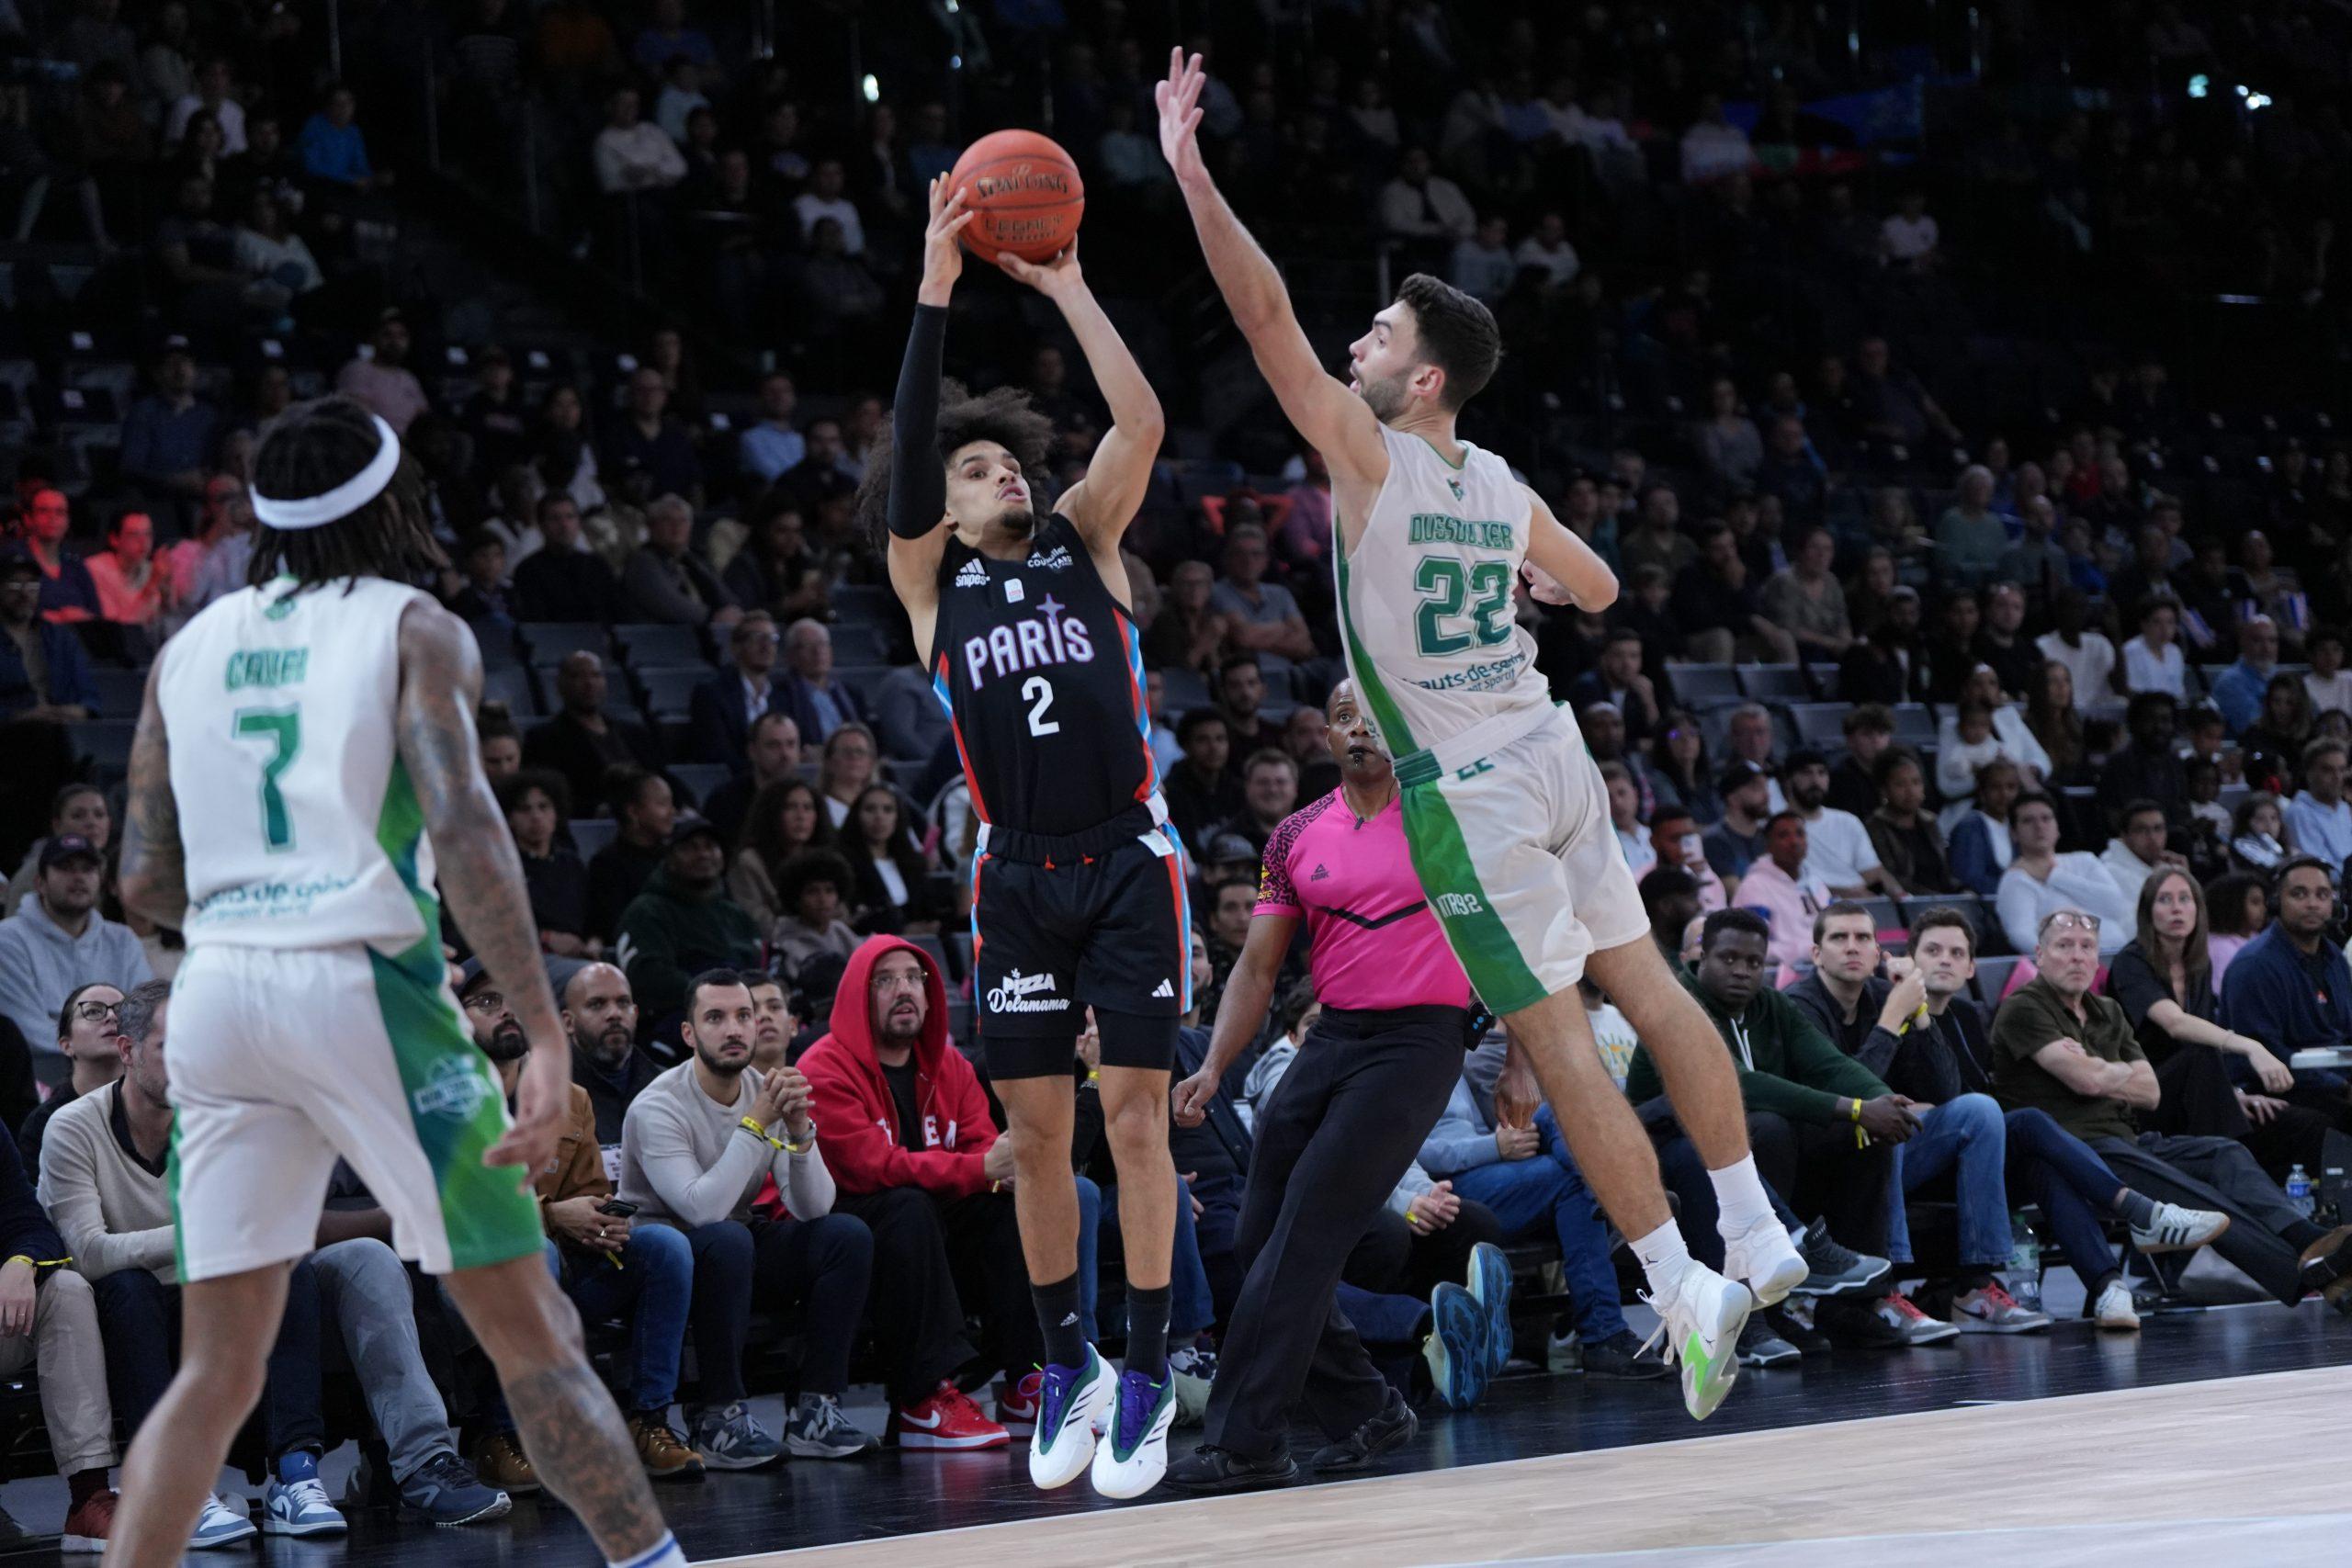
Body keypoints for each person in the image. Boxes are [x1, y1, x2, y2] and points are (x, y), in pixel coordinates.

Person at [1161, 51, 1785, 1440]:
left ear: (1424, 374)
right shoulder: (1498, 483)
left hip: (1476, 782)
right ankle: (1751, 1223)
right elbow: (1607, 590)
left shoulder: (1374, 458)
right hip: (1559, 744)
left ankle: (1683, 1282)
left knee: (1559, 1039)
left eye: (1375, 337)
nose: (1351, 348)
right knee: (1653, 986)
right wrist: (1538, 583)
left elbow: (1257, 313)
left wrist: (1193, 173)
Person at [110, 395, 684, 1568]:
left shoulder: (187, 647)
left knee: (217, 1371)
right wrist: (543, 1028)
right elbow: (472, 838)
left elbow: (140, 877)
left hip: (214, 998)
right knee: (537, 1336)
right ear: (393, 505)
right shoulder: (415, 626)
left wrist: (214, 964)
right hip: (364, 983)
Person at [860, 175, 1186, 1495]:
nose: (1008, 473)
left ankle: (1150, 1367)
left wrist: (1063, 285)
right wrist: (937, 281)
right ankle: (1069, 1362)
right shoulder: (929, 585)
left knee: (1139, 1121)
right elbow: (905, 438)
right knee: (1037, 1138)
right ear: (940, 501)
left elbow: (1143, 417)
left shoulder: (1085, 543)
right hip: (1016, 880)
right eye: (977, 466)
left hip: (1125, 860)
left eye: (1011, 461)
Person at [1167, 683, 1516, 1491]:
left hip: (1419, 1042)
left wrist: (1524, 1056)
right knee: (1260, 1238)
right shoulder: (1295, 833)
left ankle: (1246, 1440)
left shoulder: (1446, 818)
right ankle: (1366, 1408)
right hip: (1333, 1036)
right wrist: (1215, 1064)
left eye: (1375, 715)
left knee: (1304, 1235)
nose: (1361, 728)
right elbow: (1257, 964)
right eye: (1347, 717)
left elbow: (1504, 936)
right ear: (1326, 734)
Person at [44, 979, 510, 1541]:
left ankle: (328, 1474)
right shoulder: (71, 1127)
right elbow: (89, 1254)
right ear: (127, 1050)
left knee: (350, 1260)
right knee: (129, 1285)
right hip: (139, 1306)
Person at [1989, 908, 2352, 1313]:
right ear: (2040, 954)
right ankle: (2307, 1274)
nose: (2076, 956)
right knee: (2196, 1194)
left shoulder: (2107, 1011)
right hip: (2075, 1151)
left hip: (2129, 1140)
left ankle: (2306, 1236)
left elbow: (2150, 1093)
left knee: (2223, 1153)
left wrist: (2100, 1068)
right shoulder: (2024, 1007)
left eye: (2086, 947)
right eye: (2063, 946)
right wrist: (2114, 1072)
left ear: (2096, 960)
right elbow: (2086, 1082)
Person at [1902, 909, 2229, 1330]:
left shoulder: (1966, 1017)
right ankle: (2143, 1214)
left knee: (2044, 1164)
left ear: (1970, 967)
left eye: (1956, 952)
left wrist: (2100, 1071)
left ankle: (2110, 1287)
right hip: (1920, 1159)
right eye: (1933, 950)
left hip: (1975, 1156)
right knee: (2028, 1121)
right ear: (1911, 958)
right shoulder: (1897, 1014)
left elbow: (2147, 1094)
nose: (1944, 960)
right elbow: (1944, 1099)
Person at [619, 969, 883, 1465]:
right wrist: (758, 1122)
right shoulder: (657, 1106)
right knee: (726, 1239)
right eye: (715, 1018)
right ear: (689, 1034)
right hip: (662, 1257)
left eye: (744, 1015)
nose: (734, 1029)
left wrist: (801, 1130)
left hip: (731, 1244)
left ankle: (815, 1412)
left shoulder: (764, 1089)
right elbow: (700, 1209)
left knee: (845, 1235)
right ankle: (717, 1415)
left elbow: (813, 1207)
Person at [458, 966, 704, 1479]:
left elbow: (589, 1194)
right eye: (486, 1002)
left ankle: (648, 1420)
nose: (506, 1010)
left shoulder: (571, 1099)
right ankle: (499, 1434)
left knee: (664, 1246)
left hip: (564, 1272)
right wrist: (551, 1216)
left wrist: (601, 1222)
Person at [1627, 911, 1912, 1348]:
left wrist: (1880, 1100)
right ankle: (1753, 1314)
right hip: (1666, 1150)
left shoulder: (1770, 1005)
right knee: (1768, 1129)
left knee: (1861, 1138)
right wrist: (1855, 1107)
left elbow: (1828, 1063)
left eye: (1754, 962)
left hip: (1738, 1147)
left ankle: (1850, 1305)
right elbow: (1737, 1082)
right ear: (1702, 956)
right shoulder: (1678, 1003)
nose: (1742, 971)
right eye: (1729, 958)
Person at [797, 941, 1029, 1450]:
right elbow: (870, 1167)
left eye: (914, 978)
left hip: (929, 1219)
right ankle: (922, 1400)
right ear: (858, 995)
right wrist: (979, 1166)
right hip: (852, 1223)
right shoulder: (823, 1069)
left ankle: (1027, 1381)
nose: (904, 989)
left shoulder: (950, 1063)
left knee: (1007, 1204)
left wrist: (997, 1169)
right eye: (885, 980)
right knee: (908, 1205)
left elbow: (980, 1142)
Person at [1783, 905, 2049, 1335]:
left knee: (1979, 1110)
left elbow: (1946, 1091)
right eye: (1839, 938)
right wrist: (1892, 1019)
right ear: (1816, 954)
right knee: (1884, 1122)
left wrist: (1919, 1009)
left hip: (1889, 1151)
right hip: (1826, 1162)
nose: (1852, 947)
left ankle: (1976, 1286)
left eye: (1863, 938)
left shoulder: (1881, 994)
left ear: (1877, 952)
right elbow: (1845, 1093)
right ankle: (1885, 1289)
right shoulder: (1798, 1006)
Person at [0, 836, 153, 1085]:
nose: (78, 877)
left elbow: (145, 1015)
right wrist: (103, 1046)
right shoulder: (7, 939)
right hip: (40, 1086)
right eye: (65, 868)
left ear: (100, 880)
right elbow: (25, 1029)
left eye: (87, 869)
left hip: (122, 1080)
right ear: (40, 882)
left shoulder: (123, 940)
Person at [2218, 857, 2352, 1131]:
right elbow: (2266, 1054)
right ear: (2276, 902)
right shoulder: (2255, 965)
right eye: (2299, 894)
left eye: (2322, 894)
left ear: (2334, 904)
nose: (2312, 903)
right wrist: (2341, 1086)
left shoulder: (2335, 957)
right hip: (2272, 1091)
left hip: (2331, 1084)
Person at [616, 816, 764, 1041]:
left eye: (710, 846)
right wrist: (717, 996)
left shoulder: (736, 914)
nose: (703, 854)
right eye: (690, 848)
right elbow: (649, 979)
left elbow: (761, 965)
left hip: (744, 1014)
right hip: (677, 1024)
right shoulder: (646, 911)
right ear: (670, 858)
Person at [523, 652, 663, 819]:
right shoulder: (544, 738)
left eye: (596, 675)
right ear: (560, 685)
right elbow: (552, 795)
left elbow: (661, 774)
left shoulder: (634, 732)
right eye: (578, 676)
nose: (589, 683)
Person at [1997, 793, 2133, 957]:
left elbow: (2117, 907)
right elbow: (2020, 934)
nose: (2039, 826)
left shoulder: (2085, 860)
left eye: (2046, 818)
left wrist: (2054, 876)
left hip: (2116, 956)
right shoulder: (2016, 878)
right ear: (2014, 833)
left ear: (2057, 827)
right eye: (2028, 821)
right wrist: (2063, 958)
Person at [20, 982, 124, 1174]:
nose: (111, 1016)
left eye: (122, 1011)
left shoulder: (156, 1110)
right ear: (66, 1045)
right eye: (93, 1011)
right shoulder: (42, 1124)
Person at [565, 961, 661, 1159]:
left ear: (635, 1014)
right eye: (597, 1004)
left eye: (623, 1003)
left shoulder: (665, 1085)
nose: (614, 1014)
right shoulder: (547, 1093)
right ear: (569, 1022)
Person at [586, 768, 675, 947]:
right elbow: (614, 925)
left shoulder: (676, 858)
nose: (672, 812)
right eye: (662, 803)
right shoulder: (607, 864)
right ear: (633, 812)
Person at [687, 612, 787, 768]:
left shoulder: (783, 695)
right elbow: (717, 756)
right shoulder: (711, 694)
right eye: (757, 638)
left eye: (772, 639)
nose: (766, 646)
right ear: (736, 647)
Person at [511, 493, 621, 623]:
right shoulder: (528, 571)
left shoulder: (597, 566)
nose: (564, 525)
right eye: (555, 518)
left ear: (579, 522)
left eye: (570, 517)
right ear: (542, 525)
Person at [702, 712, 801, 847]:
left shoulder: (810, 799)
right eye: (773, 745)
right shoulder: (724, 801)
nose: (785, 754)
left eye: (791, 744)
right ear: (752, 751)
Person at [1867, 748, 1951, 895]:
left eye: (1916, 782)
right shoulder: (1875, 827)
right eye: (1900, 784)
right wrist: (1935, 898)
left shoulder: (1930, 821)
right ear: (1884, 790)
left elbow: (1945, 874)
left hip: (1941, 901)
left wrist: (1962, 890)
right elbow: (1893, 878)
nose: (1910, 791)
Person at [774, 618, 868, 745]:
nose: (817, 652)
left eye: (822, 644)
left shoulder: (852, 694)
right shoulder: (781, 696)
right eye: (807, 646)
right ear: (791, 656)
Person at [2101, 799, 2187, 911]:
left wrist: (2183, 877)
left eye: (2158, 829)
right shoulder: (2110, 872)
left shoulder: (2165, 867)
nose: (2152, 837)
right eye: (2141, 830)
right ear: (2124, 836)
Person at [2285, 739, 2352, 872]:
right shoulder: (2299, 813)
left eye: (2342, 769)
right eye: (2328, 770)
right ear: (2309, 773)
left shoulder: (2344, 809)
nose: (2337, 777)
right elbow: (2318, 867)